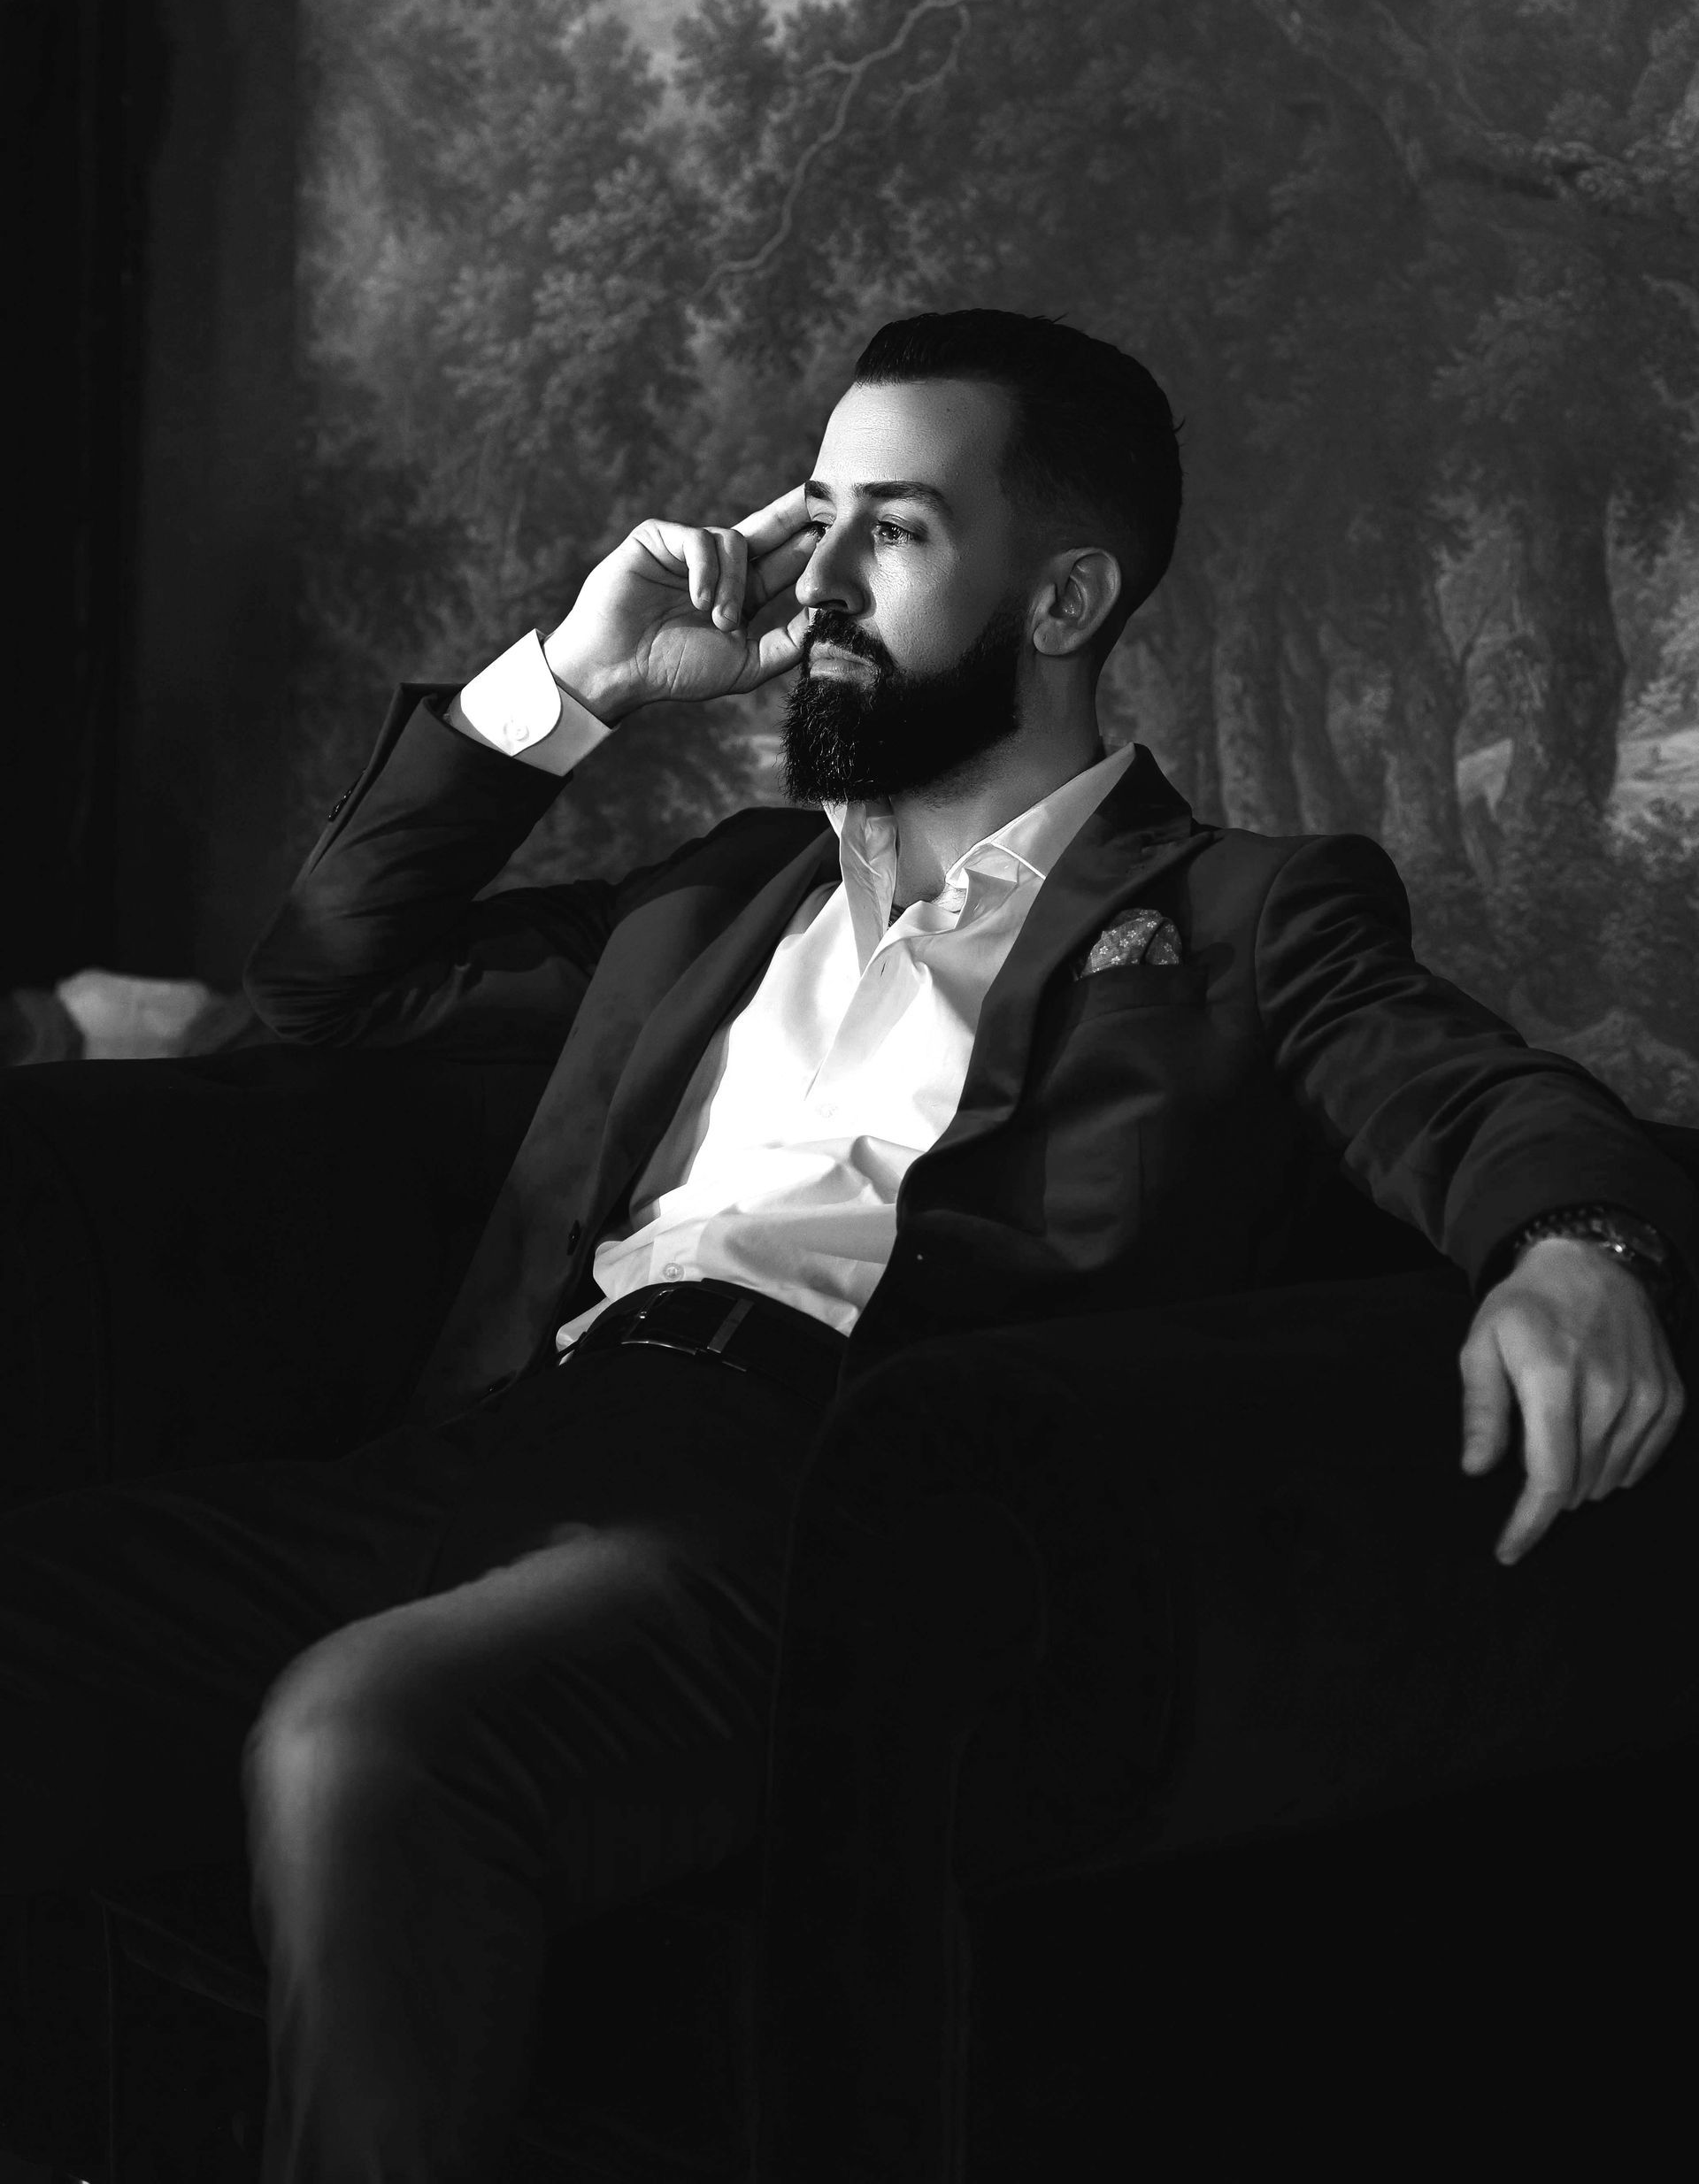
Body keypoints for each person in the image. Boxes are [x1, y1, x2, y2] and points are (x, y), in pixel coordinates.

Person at [0, 309, 1692, 2183]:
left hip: (807, 1514)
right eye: (816, 518)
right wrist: (574, 677)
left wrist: (1576, 1246)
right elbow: (323, 990)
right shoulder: (723, 889)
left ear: (1064, 599)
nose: (812, 581)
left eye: (892, 529)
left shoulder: (1241, 913)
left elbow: (1473, 1097)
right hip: (496, 1445)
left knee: (367, 1736)